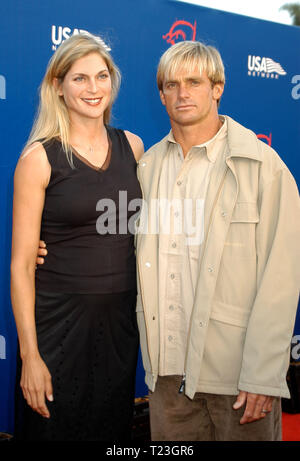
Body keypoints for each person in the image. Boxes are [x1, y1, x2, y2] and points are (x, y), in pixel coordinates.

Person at [134, 41, 300, 441]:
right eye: (171, 84)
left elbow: (281, 277)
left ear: (218, 87)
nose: (182, 93)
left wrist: (263, 374)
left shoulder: (264, 168)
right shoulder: (146, 167)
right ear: (160, 94)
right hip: (168, 377)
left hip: (238, 378)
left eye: (194, 81)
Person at [11, 32, 144, 441]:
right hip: (57, 331)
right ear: (58, 86)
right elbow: (20, 267)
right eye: (80, 78)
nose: (93, 88)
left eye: (101, 77)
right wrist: (29, 355)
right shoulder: (38, 159)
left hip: (119, 330)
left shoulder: (135, 148)